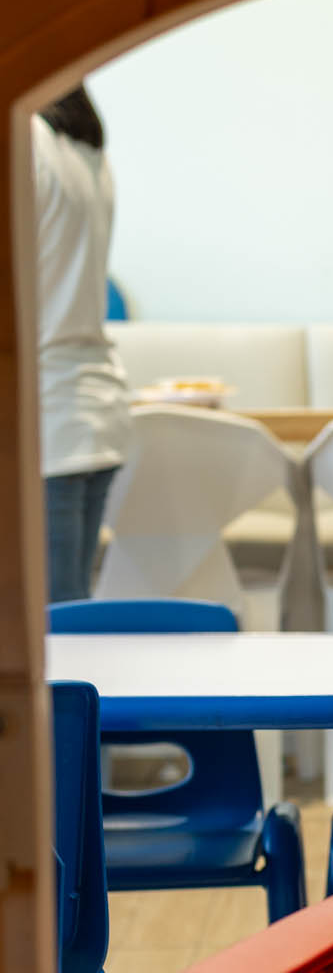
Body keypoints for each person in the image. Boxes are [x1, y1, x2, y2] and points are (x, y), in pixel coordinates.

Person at [32, 85, 130, 602]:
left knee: (51, 625)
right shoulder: (86, 150)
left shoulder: (27, 140)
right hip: (90, 405)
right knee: (69, 616)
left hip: (47, 419)